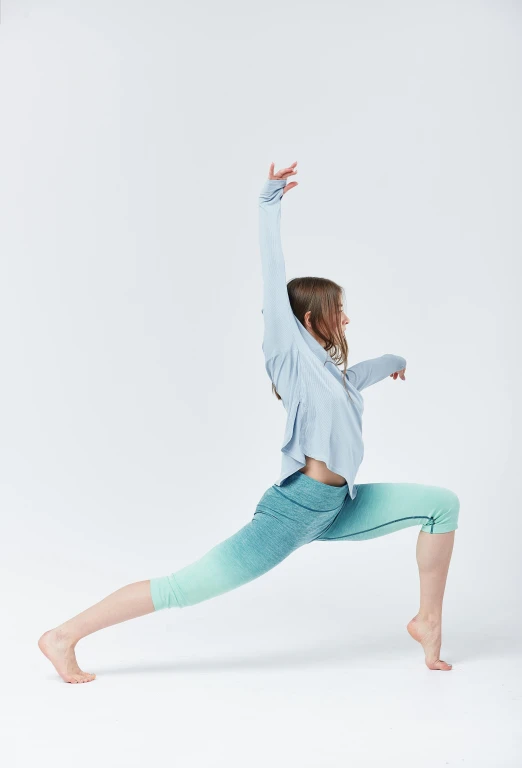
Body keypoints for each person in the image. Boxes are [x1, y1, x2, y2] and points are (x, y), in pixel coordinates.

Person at [38, 161, 460, 683]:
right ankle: (62, 636)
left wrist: (395, 361)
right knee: (181, 588)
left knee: (442, 506)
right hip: (294, 510)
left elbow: (358, 380)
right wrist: (268, 202)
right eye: (338, 310)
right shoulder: (290, 353)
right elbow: (272, 271)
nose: (346, 319)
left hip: (336, 506)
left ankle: (428, 621)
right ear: (308, 319)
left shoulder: (332, 378)